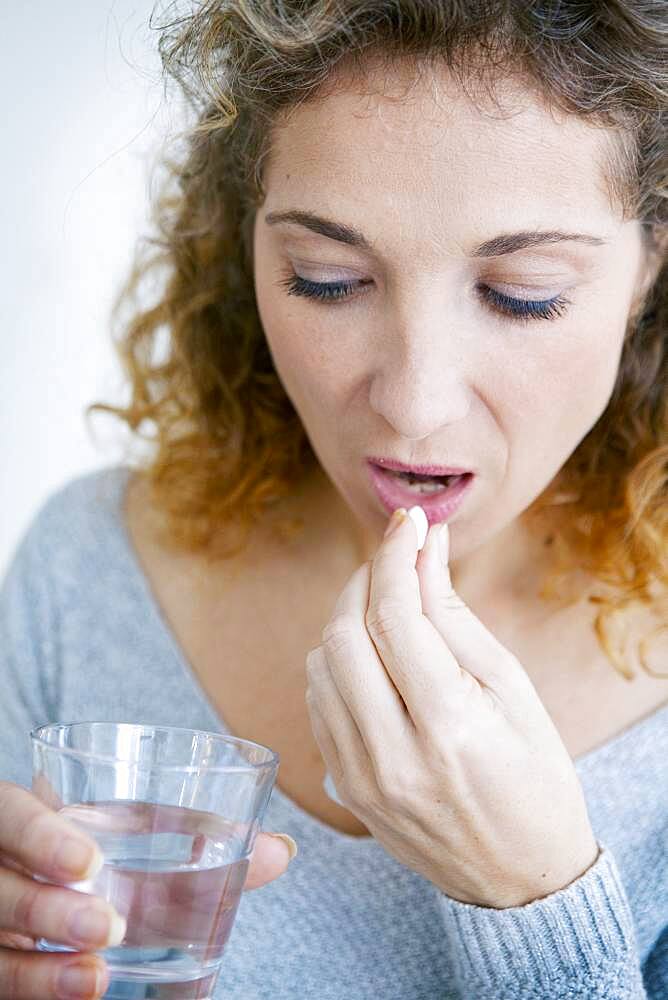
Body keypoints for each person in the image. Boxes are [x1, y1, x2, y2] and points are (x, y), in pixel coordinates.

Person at [1, 1, 666, 998]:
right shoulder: (85, 565)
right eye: (327, 279)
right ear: (246, 254)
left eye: (522, 292)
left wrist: (538, 896)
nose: (412, 400)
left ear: (648, 268)